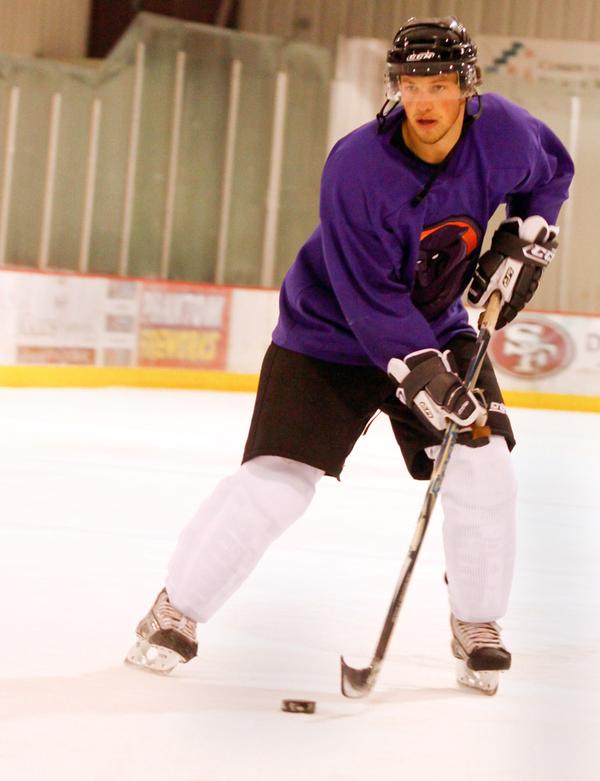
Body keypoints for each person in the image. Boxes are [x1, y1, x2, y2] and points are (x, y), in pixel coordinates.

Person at [125, 17, 574, 694]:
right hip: (326, 335)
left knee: (484, 467)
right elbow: (369, 301)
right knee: (275, 485)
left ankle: (477, 624)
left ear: (468, 87)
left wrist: (526, 239)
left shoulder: (504, 133)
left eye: (440, 84)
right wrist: (426, 378)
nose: (423, 101)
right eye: (411, 84)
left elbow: (553, 171)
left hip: (436, 321)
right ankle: (175, 611)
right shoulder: (359, 164)